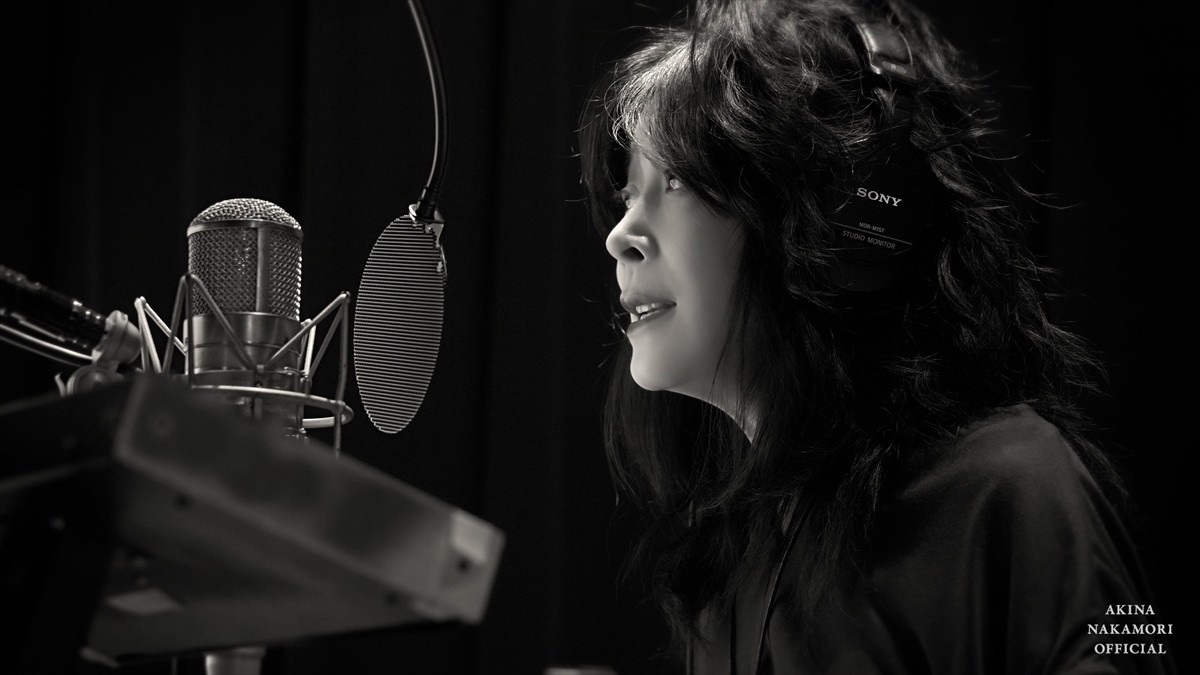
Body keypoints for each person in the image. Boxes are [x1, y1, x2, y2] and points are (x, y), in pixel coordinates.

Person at [577, 0, 1176, 673]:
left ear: (844, 223)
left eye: (677, 181)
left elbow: (1139, 645)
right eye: (628, 195)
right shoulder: (732, 548)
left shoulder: (1018, 483)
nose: (620, 235)